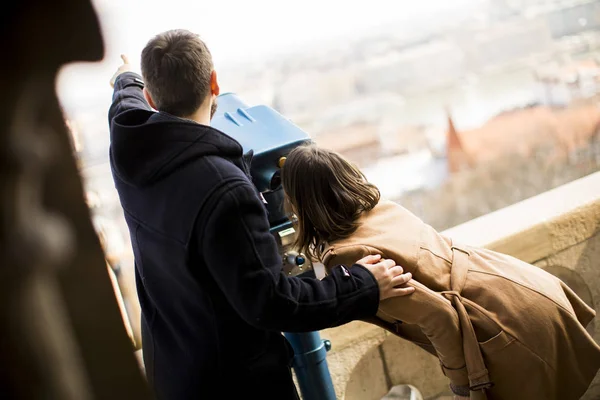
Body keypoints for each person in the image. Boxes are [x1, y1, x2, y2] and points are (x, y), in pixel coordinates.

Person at [107, 29, 415, 400]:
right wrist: (365, 284)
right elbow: (273, 302)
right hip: (236, 385)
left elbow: (124, 99)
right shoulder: (226, 191)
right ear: (214, 83)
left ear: (151, 97)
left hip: (173, 372)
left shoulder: (129, 146)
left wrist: (126, 75)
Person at [281, 144, 600, 400]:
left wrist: (464, 385)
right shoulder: (383, 209)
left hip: (499, 326)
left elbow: (440, 318)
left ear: (300, 203)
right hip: (517, 287)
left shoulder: (348, 257)